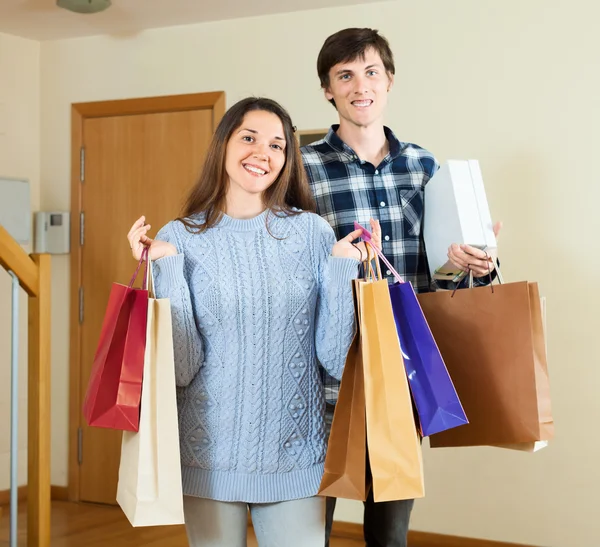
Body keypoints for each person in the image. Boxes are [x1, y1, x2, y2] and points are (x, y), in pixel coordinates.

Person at [126, 96, 381, 547]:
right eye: (249, 138)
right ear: (223, 144)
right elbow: (182, 369)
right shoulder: (178, 237)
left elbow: (336, 361)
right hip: (207, 457)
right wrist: (165, 269)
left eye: (278, 145)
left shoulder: (312, 233)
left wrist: (343, 266)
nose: (263, 153)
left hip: (295, 455)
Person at [301, 28, 501, 547]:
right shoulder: (302, 170)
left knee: (389, 533)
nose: (359, 86)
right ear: (328, 89)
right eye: (344, 75)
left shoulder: (424, 166)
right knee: (307, 528)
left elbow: (443, 275)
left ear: (388, 81)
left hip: (401, 367)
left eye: (370, 73)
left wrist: (469, 262)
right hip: (326, 367)